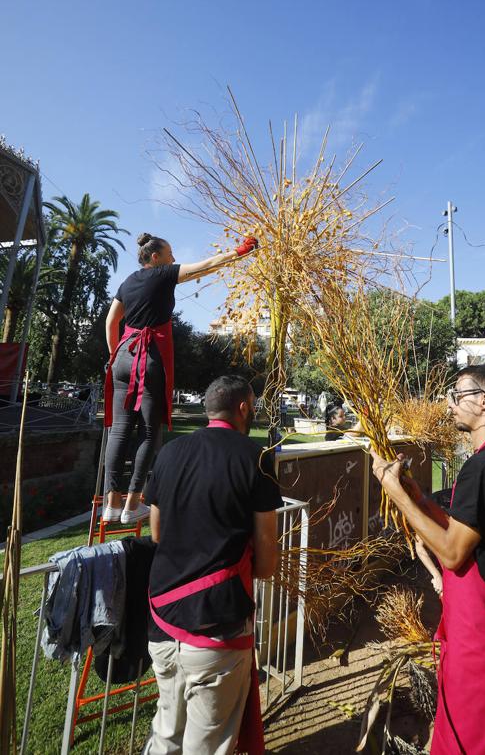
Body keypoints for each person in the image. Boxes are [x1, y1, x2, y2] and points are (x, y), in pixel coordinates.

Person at [372, 364, 485, 755]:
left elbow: (452, 550)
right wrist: (418, 497)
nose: (450, 405)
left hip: (480, 637)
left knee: (476, 735)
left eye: (458, 396)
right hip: (474, 627)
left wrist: (396, 496)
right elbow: (467, 529)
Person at [144, 375, 283, 755]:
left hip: (161, 622)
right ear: (243, 408)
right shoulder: (257, 458)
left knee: (166, 732)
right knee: (207, 744)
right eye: (252, 405)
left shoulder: (169, 452)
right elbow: (267, 561)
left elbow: (156, 532)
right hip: (217, 630)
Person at [103, 232, 258, 524]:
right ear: (155, 258)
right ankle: (132, 504)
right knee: (150, 432)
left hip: (123, 354)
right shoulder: (163, 274)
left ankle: (111, 505)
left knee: (120, 430)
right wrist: (240, 252)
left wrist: (115, 354)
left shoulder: (127, 282)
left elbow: (112, 321)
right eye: (170, 254)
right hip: (149, 357)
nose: (174, 259)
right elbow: (207, 265)